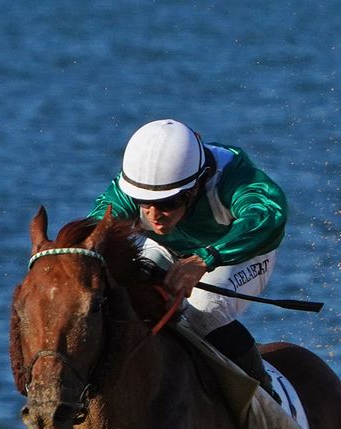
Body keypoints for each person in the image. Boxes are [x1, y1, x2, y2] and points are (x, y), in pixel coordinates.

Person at [91, 119, 290, 396]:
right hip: (171, 251)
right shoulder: (129, 188)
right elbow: (92, 233)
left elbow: (269, 216)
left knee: (205, 307)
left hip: (241, 253)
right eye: (143, 203)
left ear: (196, 186)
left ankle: (266, 400)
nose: (154, 215)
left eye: (168, 203)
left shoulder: (231, 176)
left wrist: (204, 259)